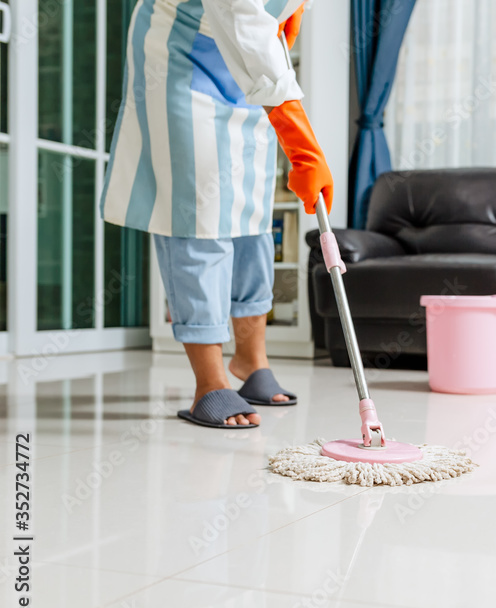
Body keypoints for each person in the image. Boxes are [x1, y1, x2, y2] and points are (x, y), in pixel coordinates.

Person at [101, 0, 333, 429]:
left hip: (244, 63)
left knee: (253, 214)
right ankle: (209, 381)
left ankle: (250, 359)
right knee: (197, 213)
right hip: (179, 50)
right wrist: (303, 146)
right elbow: (244, 16)